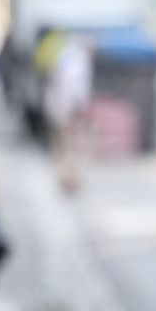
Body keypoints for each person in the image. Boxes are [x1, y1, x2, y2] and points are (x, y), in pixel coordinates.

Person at [43, 31, 93, 193]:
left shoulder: (65, 57)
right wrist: (77, 110)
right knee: (70, 147)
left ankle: (65, 178)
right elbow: (75, 89)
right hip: (69, 111)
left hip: (58, 108)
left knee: (62, 146)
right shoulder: (77, 62)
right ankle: (69, 180)